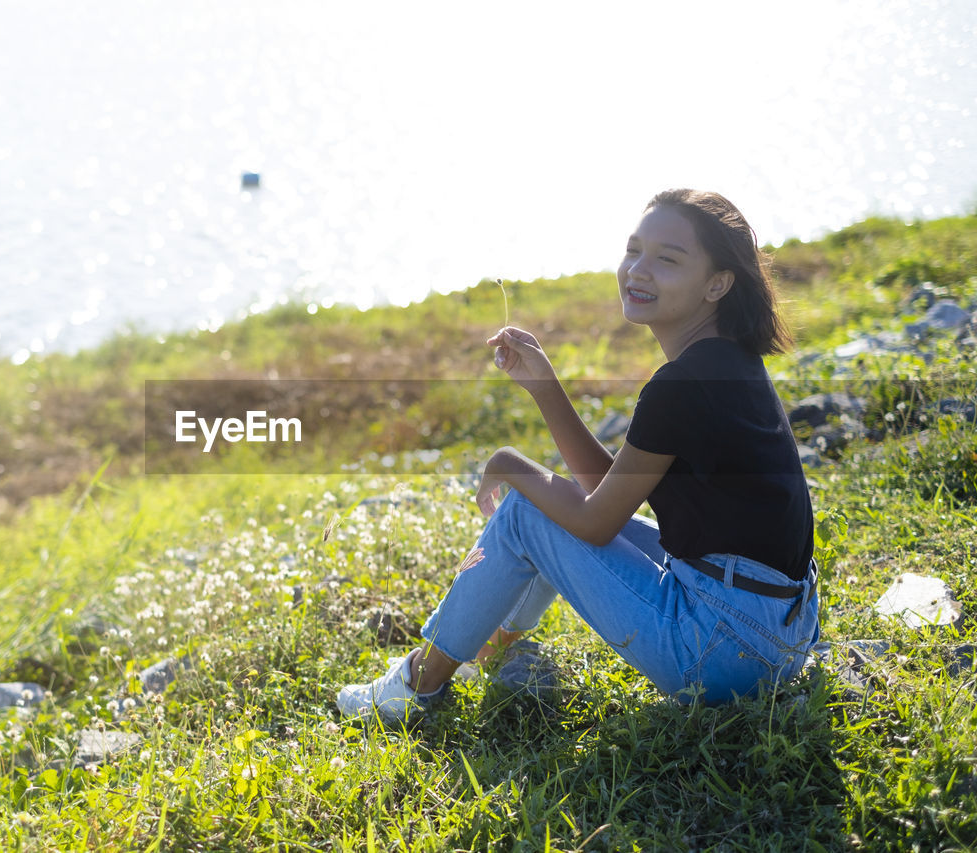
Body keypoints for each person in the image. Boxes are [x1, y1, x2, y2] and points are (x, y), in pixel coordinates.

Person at [336, 189, 820, 719]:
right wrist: (546, 388)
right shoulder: (728, 361)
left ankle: (415, 687)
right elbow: (608, 496)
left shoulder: (681, 385)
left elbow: (593, 523)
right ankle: (481, 646)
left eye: (667, 259)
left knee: (527, 509)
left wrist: (513, 467)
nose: (638, 270)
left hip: (723, 649)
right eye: (634, 250)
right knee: (544, 504)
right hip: (779, 629)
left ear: (717, 283)